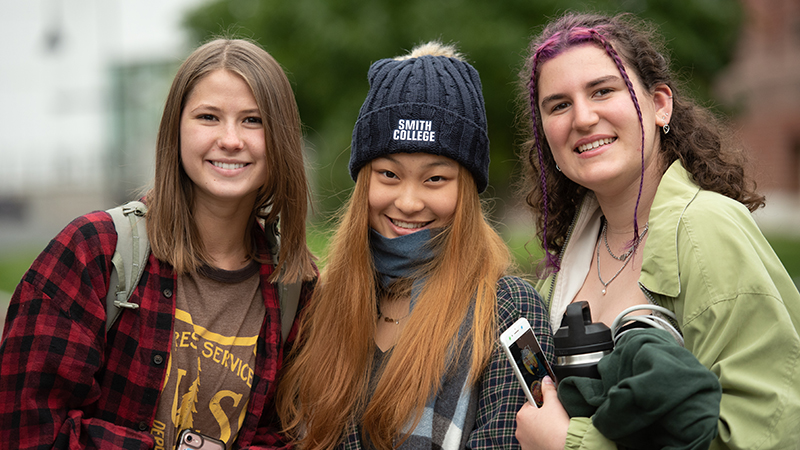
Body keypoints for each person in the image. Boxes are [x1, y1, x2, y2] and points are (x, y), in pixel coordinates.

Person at [0, 39, 317, 449]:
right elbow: (27, 429)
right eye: (208, 117)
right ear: (176, 129)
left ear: (281, 138)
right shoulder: (93, 252)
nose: (231, 139)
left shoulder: (297, 287)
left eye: (253, 120)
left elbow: (289, 436)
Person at [514, 11, 800, 450]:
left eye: (602, 90)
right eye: (559, 105)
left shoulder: (708, 230)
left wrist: (567, 443)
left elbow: (765, 433)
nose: (583, 118)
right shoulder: (562, 273)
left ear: (659, 104)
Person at [276, 41, 553, 449]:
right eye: (388, 174)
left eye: (435, 178)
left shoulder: (510, 312)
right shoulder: (319, 304)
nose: (407, 202)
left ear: (467, 191)